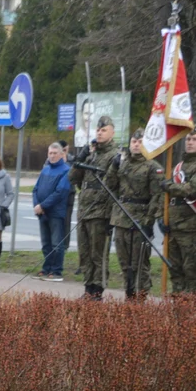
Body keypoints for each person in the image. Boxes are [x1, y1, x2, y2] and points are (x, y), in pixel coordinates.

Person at [106, 129, 162, 299]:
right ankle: (129, 296)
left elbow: (156, 197)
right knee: (125, 264)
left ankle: (141, 298)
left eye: (140, 142)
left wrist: (148, 221)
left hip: (139, 220)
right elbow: (110, 185)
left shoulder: (153, 166)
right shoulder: (123, 165)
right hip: (121, 218)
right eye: (133, 142)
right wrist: (114, 167)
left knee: (139, 264)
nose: (136, 145)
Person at [69, 115, 118, 300]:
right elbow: (72, 179)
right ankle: (88, 287)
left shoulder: (114, 156)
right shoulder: (92, 154)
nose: (99, 132)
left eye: (104, 130)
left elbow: (112, 187)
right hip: (84, 211)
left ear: (112, 133)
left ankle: (97, 290)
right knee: (85, 253)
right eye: (98, 130)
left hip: (101, 213)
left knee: (99, 255)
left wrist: (109, 215)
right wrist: (80, 159)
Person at [159, 125, 196, 296]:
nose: (190, 142)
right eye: (188, 139)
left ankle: (191, 316)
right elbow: (169, 198)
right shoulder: (178, 166)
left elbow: (191, 189)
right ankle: (178, 315)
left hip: (192, 229)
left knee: (192, 274)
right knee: (175, 272)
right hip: (174, 229)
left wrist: (169, 186)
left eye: (195, 139)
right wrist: (163, 218)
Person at [32, 143, 72, 281]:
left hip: (55, 212)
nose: (52, 155)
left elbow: (60, 192)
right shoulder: (45, 169)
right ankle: (46, 268)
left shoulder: (66, 170)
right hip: (42, 213)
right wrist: (36, 205)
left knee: (56, 243)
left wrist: (43, 205)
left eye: (55, 153)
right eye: (50, 153)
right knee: (46, 243)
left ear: (61, 154)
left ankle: (56, 271)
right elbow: (36, 189)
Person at [59, 140, 78, 257]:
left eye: (66, 150)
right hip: (56, 196)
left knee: (66, 222)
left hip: (68, 195)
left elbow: (73, 175)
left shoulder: (71, 160)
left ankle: (65, 246)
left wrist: (66, 160)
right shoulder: (52, 159)